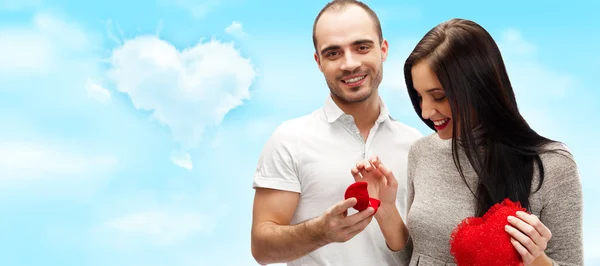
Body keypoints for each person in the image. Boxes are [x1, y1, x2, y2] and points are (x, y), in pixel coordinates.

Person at [352, 18, 583, 265]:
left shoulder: (552, 166)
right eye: (419, 97)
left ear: (479, 88)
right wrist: (386, 210)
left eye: (438, 97)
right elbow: (418, 257)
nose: (426, 112)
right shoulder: (423, 151)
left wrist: (535, 258)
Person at [250, 0, 423, 265]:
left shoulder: (417, 145)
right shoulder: (289, 140)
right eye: (333, 53)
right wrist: (321, 231)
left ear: (383, 49)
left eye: (362, 47)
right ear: (318, 62)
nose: (349, 64)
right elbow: (262, 249)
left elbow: (423, 254)